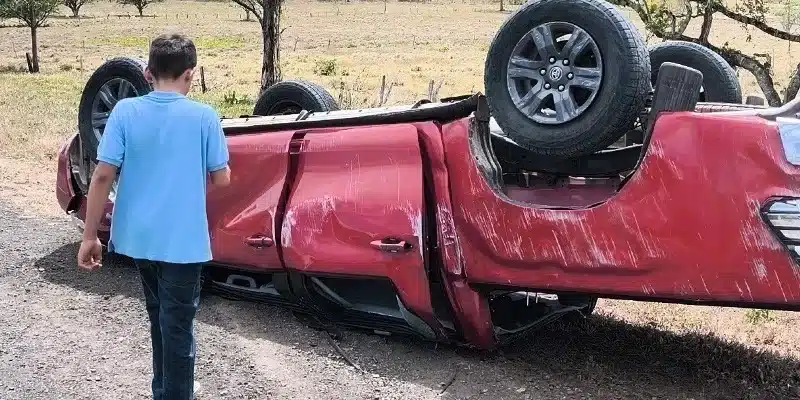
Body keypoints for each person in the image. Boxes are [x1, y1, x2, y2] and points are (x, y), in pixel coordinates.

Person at [77, 33, 231, 400]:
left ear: (147, 73)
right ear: (190, 75)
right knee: (178, 325)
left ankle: (165, 388)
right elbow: (221, 178)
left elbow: (101, 175)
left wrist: (89, 236)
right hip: (183, 242)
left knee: (159, 315)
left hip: (139, 238)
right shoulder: (204, 117)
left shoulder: (124, 112)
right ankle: (174, 393)